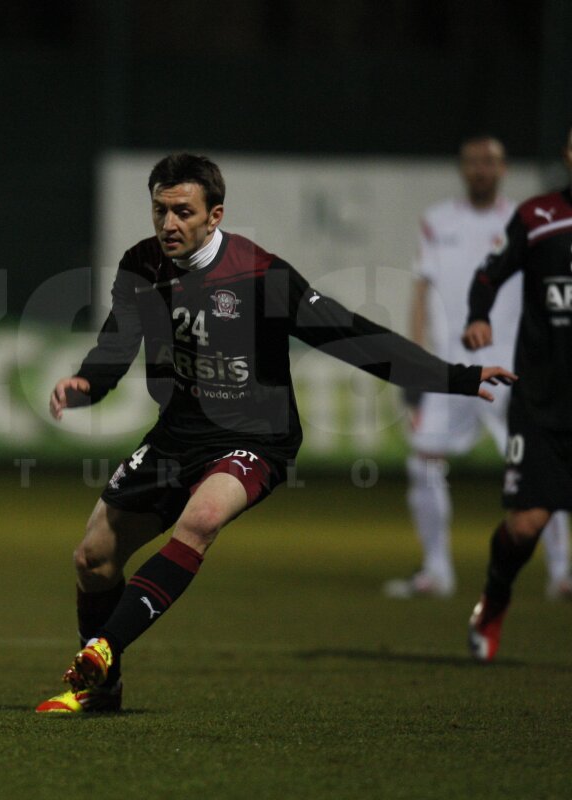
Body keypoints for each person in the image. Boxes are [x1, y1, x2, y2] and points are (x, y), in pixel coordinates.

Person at [35, 153, 516, 713]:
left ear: (214, 216)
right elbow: (117, 343)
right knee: (92, 558)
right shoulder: (142, 265)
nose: (169, 224)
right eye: (160, 210)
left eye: (183, 212)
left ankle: (101, 654)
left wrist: (455, 376)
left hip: (257, 436)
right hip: (179, 433)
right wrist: (87, 384)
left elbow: (349, 336)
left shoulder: (262, 275)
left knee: (203, 518)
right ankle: (106, 691)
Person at [385, 135, 570, 600]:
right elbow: (421, 292)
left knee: (547, 472)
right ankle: (436, 571)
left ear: (503, 168)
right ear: (463, 168)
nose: (480, 169)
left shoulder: (526, 221)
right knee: (424, 460)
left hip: (518, 367)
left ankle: (563, 573)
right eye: (472, 161)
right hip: (452, 368)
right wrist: (413, 363)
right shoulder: (437, 222)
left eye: (489, 161)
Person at [463, 126, 572, 662]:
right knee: (526, 525)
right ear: (568, 153)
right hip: (544, 403)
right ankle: (494, 599)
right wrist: (479, 316)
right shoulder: (538, 217)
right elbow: (488, 275)